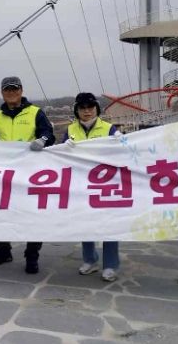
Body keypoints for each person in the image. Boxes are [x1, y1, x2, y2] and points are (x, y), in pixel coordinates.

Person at [0, 76, 55, 274]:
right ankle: (3, 250)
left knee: (32, 215)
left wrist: (42, 140)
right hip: (5, 173)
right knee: (0, 212)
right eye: (7, 90)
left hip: (30, 174)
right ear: (2, 93)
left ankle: (32, 255)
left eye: (14, 89)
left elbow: (49, 134)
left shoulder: (35, 112)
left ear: (21, 91)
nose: (11, 93)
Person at [62, 92, 121, 283]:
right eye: (82, 108)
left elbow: (123, 151)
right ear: (77, 111)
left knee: (109, 225)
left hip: (105, 184)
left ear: (96, 109)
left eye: (90, 107)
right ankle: (90, 260)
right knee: (85, 223)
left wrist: (121, 141)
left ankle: (111, 265)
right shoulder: (70, 130)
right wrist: (63, 147)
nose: (87, 111)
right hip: (80, 184)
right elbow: (60, 157)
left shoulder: (109, 129)